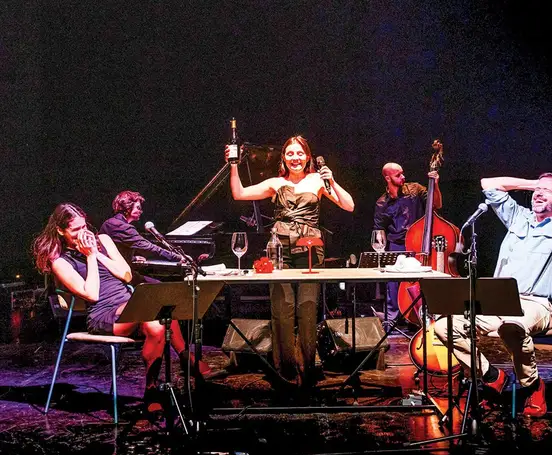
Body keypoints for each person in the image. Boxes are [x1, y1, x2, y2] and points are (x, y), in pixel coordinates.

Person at [31, 203, 210, 414]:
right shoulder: (60, 261)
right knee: (153, 309)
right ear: (61, 231)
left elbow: (126, 275)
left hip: (129, 304)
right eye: (75, 230)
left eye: (84, 226)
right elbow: (92, 294)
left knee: (157, 321)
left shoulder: (103, 241)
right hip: (103, 314)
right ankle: (183, 361)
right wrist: (88, 257)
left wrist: (97, 253)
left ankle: (152, 389)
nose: (83, 233)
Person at [432, 173, 552, 417]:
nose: (539, 193)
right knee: (444, 327)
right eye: (537, 189)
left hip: (537, 304)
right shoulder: (518, 218)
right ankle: (493, 377)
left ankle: (532, 386)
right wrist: (533, 184)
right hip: (498, 299)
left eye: (547, 191)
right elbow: (487, 183)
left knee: (512, 327)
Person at [228, 135, 354, 390]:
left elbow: (349, 206)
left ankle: (307, 371)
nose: (295, 158)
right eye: (290, 154)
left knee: (307, 310)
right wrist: (233, 164)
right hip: (280, 248)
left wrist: (331, 181)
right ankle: (285, 372)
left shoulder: (318, 180)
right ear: (284, 158)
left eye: (299, 154)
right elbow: (239, 193)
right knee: (282, 310)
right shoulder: (276, 183)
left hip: (310, 249)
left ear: (307, 157)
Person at [373, 162, 441, 326]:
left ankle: (420, 315)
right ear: (388, 178)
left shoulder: (416, 189)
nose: (403, 177)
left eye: (402, 173)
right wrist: (380, 249)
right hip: (396, 245)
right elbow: (379, 230)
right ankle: (393, 320)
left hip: (418, 243)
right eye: (398, 175)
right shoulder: (382, 203)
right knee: (393, 283)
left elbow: (436, 204)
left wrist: (436, 185)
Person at [99, 190, 184, 285]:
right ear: (127, 207)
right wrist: (178, 257)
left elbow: (116, 249)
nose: (141, 211)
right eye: (138, 208)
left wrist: (133, 258)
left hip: (116, 270)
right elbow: (148, 247)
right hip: (114, 276)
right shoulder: (120, 226)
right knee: (159, 287)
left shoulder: (112, 223)